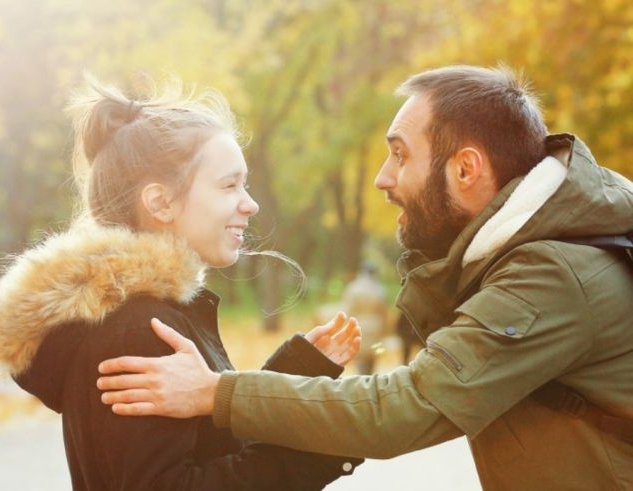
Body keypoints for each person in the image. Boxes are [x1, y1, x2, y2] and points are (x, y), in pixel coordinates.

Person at [96, 65, 633, 490]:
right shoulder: (542, 255)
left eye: (400, 154)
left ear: (465, 170)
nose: (383, 177)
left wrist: (218, 392)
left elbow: (404, 409)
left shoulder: (553, 274)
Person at [0, 76, 364, 490]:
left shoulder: (149, 318)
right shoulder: (140, 330)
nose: (251, 204)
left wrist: (295, 372)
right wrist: (318, 447)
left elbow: (209, 443)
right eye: (229, 185)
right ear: (160, 202)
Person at [339, 261, 388, 373]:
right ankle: (370, 379)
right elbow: (383, 312)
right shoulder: (379, 289)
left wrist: (347, 329)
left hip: (359, 325)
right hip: (376, 326)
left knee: (360, 356)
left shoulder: (353, 288)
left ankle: (362, 379)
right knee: (373, 355)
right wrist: (385, 329)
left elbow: (348, 310)